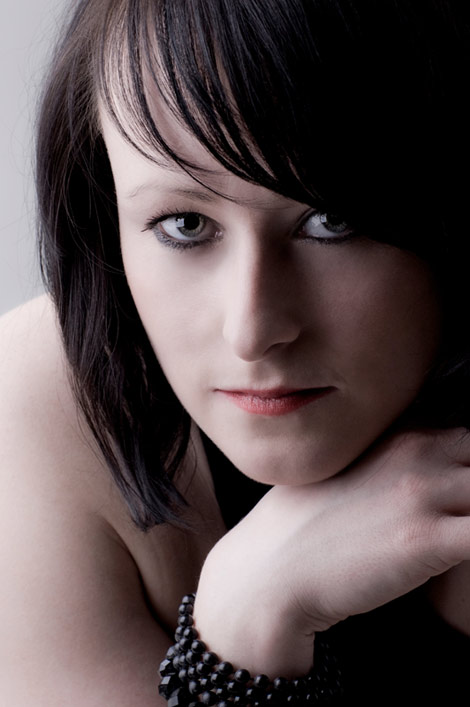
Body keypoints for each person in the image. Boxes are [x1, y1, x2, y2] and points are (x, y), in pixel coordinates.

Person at [1, 0, 470, 703]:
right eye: (185, 224)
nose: (251, 331)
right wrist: (243, 630)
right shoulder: (44, 410)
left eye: (332, 219)